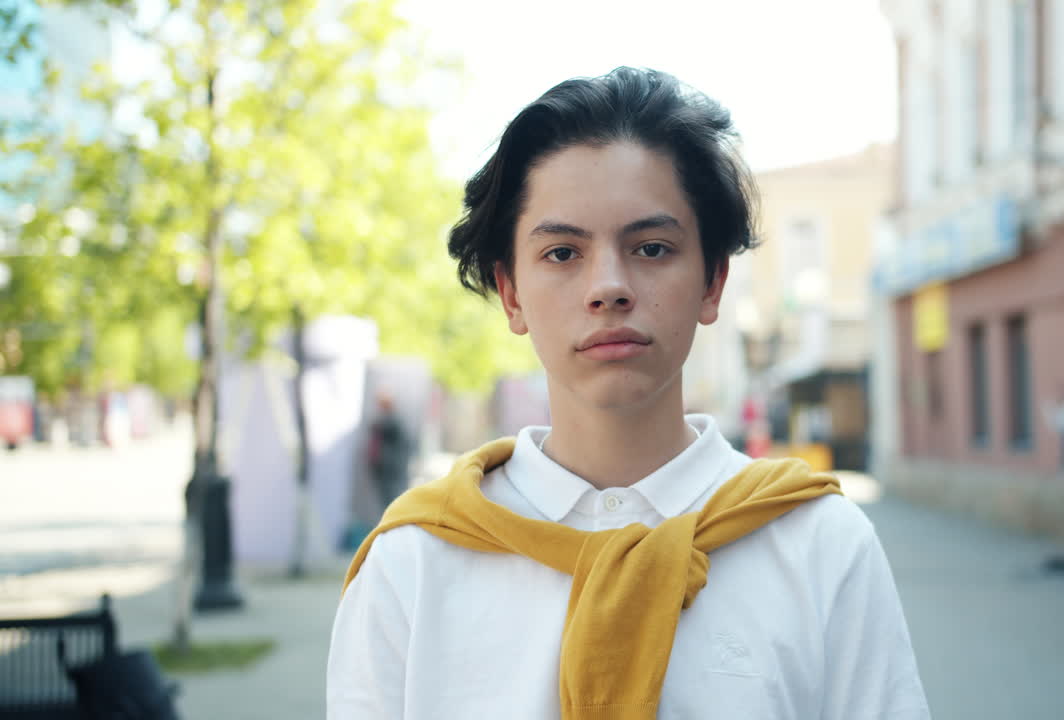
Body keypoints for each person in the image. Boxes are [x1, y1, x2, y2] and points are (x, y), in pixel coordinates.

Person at [327, 67, 930, 719]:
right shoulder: (416, 558)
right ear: (510, 293)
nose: (608, 286)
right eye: (562, 253)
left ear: (712, 284)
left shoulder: (819, 542)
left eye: (650, 247)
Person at [367, 391, 411, 509]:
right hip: (383, 470)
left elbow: (382, 427)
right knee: (384, 501)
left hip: (390, 471)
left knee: (390, 502)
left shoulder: (393, 420)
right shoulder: (386, 419)